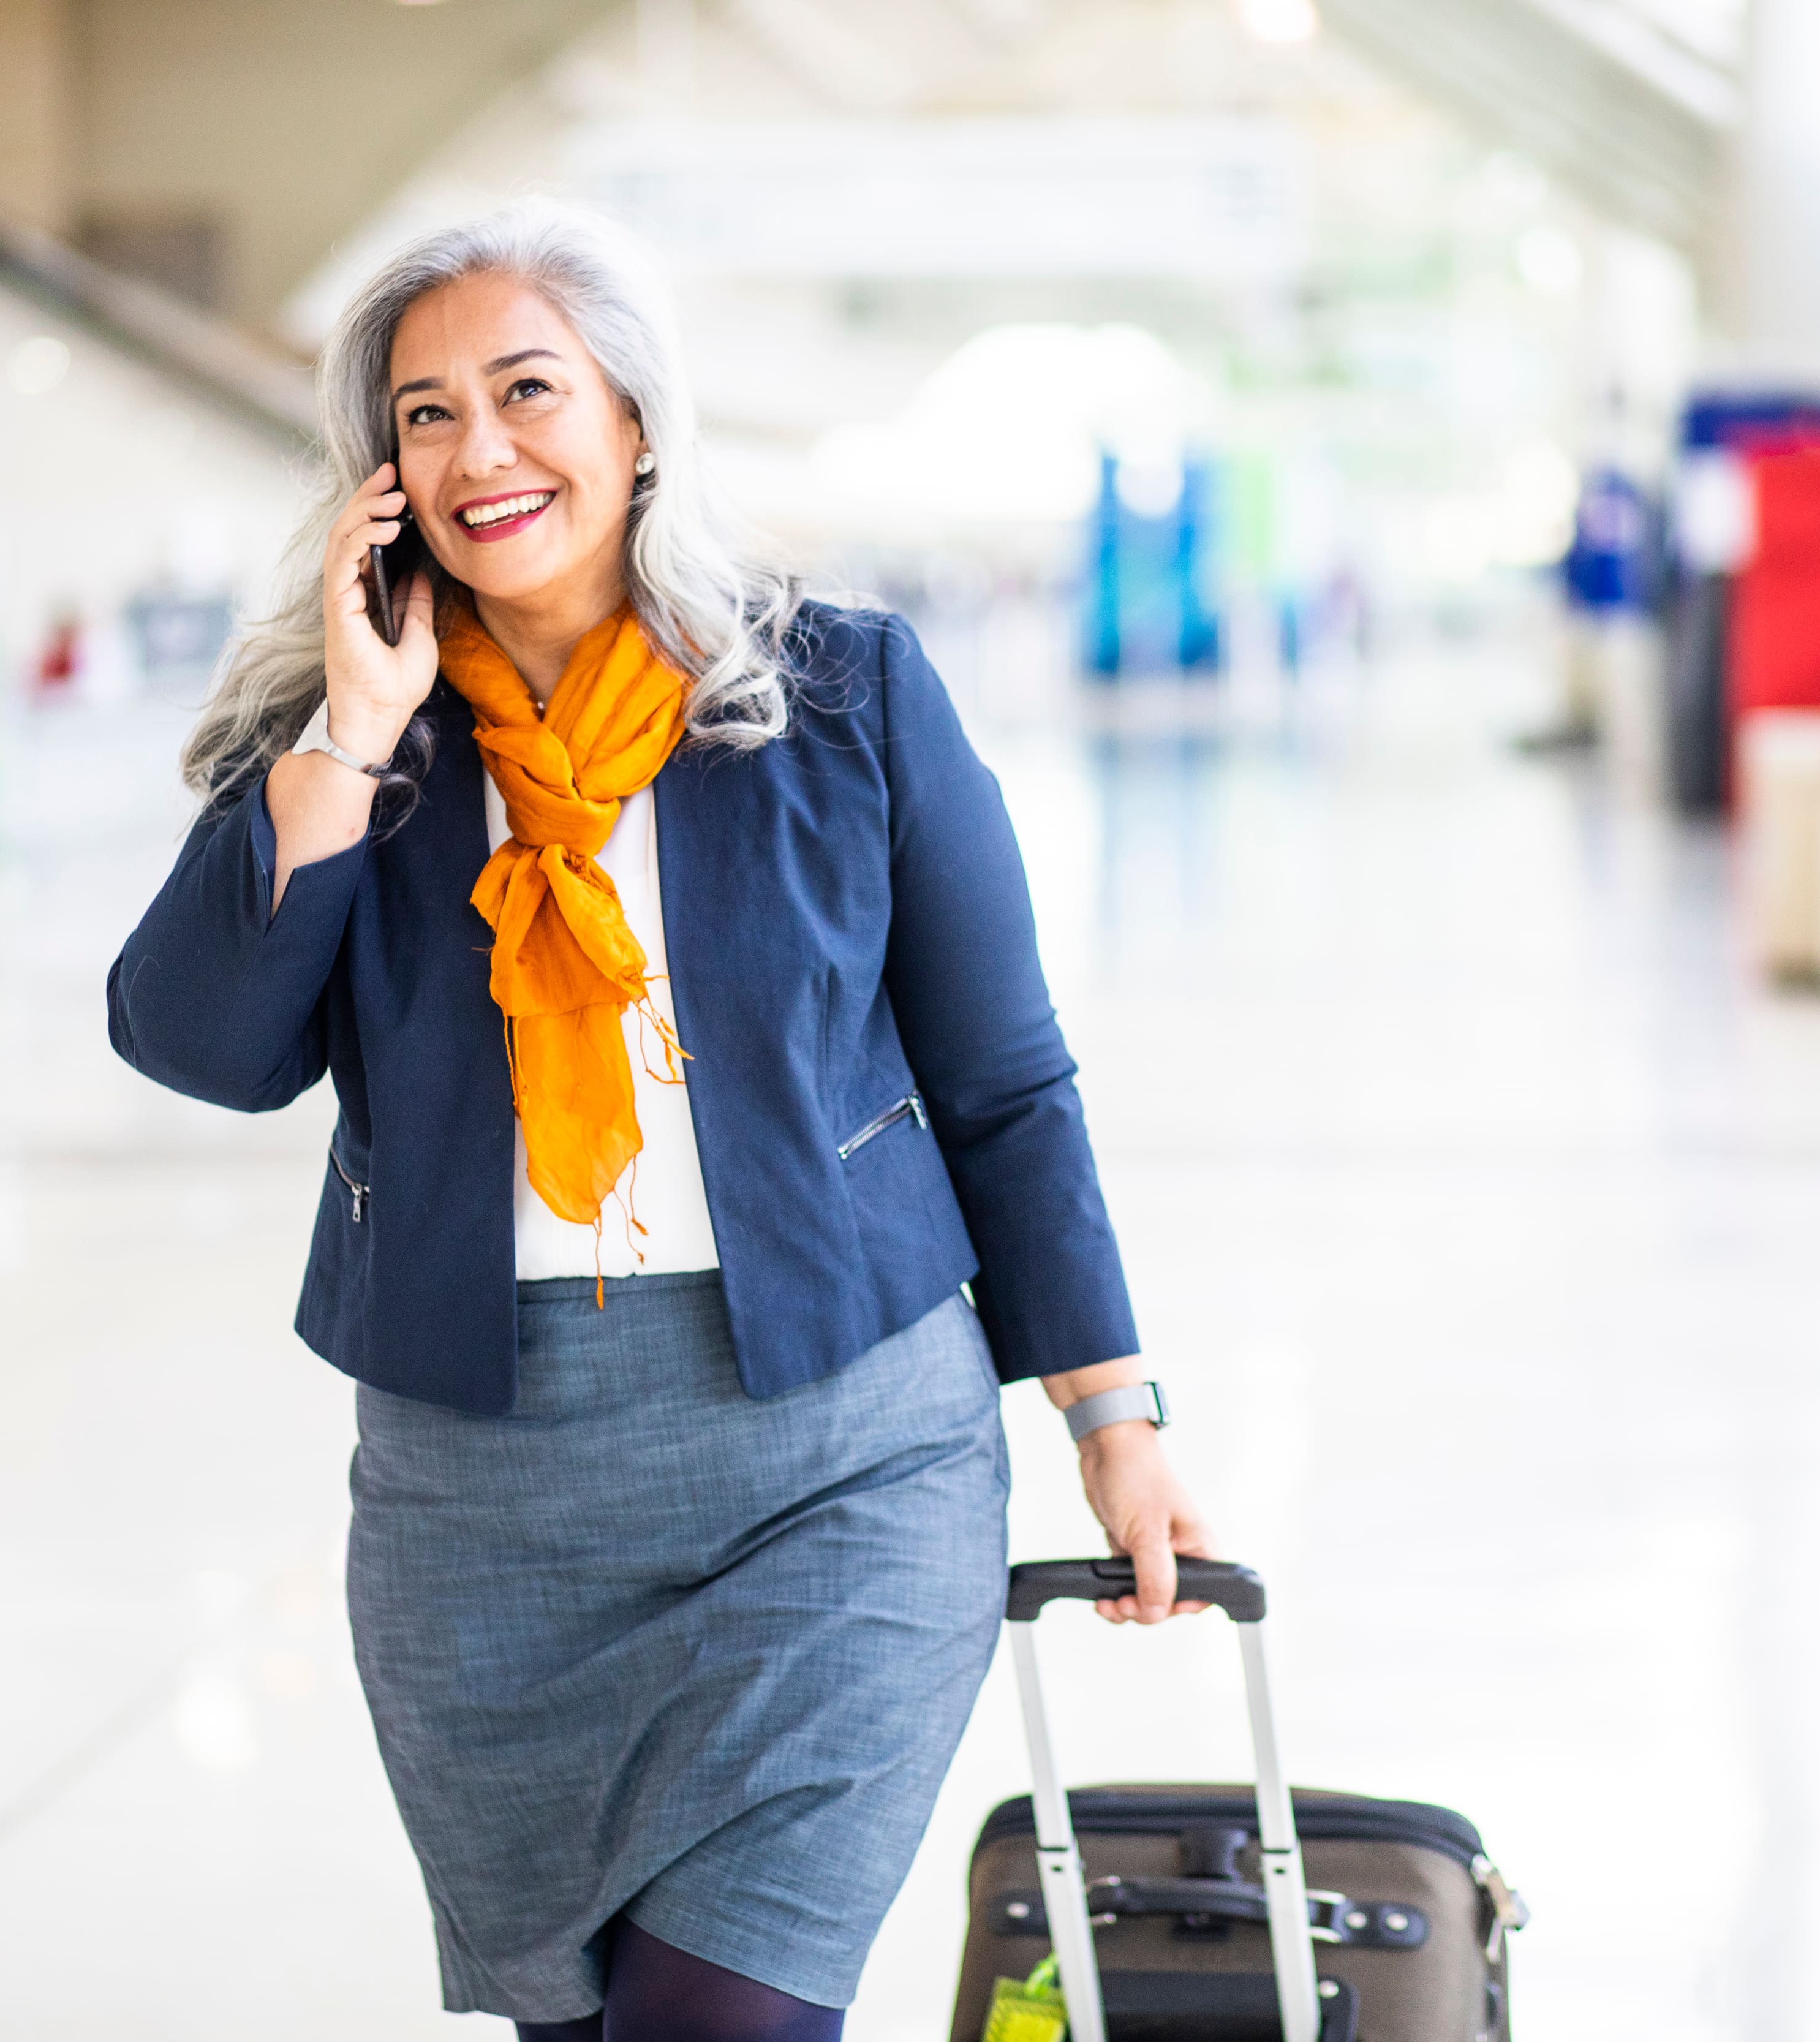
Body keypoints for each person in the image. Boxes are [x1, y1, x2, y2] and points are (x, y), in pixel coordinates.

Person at [107, 203, 1212, 2042]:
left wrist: (1115, 1420)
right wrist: (354, 739)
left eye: (528, 390)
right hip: (489, 1498)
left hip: (843, 1459)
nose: (482, 451)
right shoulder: (350, 736)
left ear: (635, 420)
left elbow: (1004, 1081)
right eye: (426, 415)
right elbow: (202, 1048)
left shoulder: (840, 697)